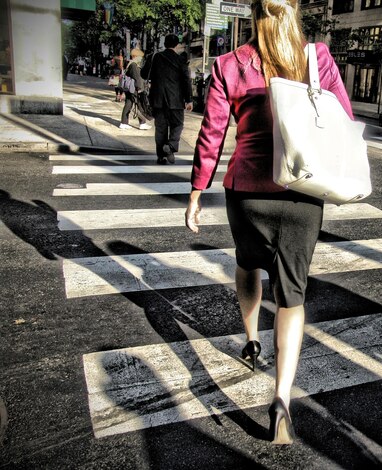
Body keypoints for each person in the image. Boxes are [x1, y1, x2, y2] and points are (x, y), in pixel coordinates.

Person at [185, 0, 354, 445]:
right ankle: (281, 399)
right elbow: (343, 121)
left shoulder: (228, 64)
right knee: (292, 294)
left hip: (247, 191)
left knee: (247, 264)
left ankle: (250, 339)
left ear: (254, 10)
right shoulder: (316, 58)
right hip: (302, 192)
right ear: (294, 9)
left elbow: (213, 132)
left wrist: (196, 191)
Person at [141, 34, 192, 164]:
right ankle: (170, 146)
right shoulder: (181, 60)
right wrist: (189, 100)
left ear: (164, 44)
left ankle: (161, 157)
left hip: (158, 99)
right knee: (178, 125)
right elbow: (186, 80)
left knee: (161, 129)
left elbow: (143, 74)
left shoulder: (155, 57)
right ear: (177, 45)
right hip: (176, 100)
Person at [119, 48, 151, 131]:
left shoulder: (131, 64)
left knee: (129, 104)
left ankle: (125, 123)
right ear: (136, 56)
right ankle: (141, 123)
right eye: (140, 57)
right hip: (134, 89)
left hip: (131, 89)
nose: (141, 59)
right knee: (139, 105)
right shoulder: (134, 65)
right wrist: (140, 88)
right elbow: (137, 78)